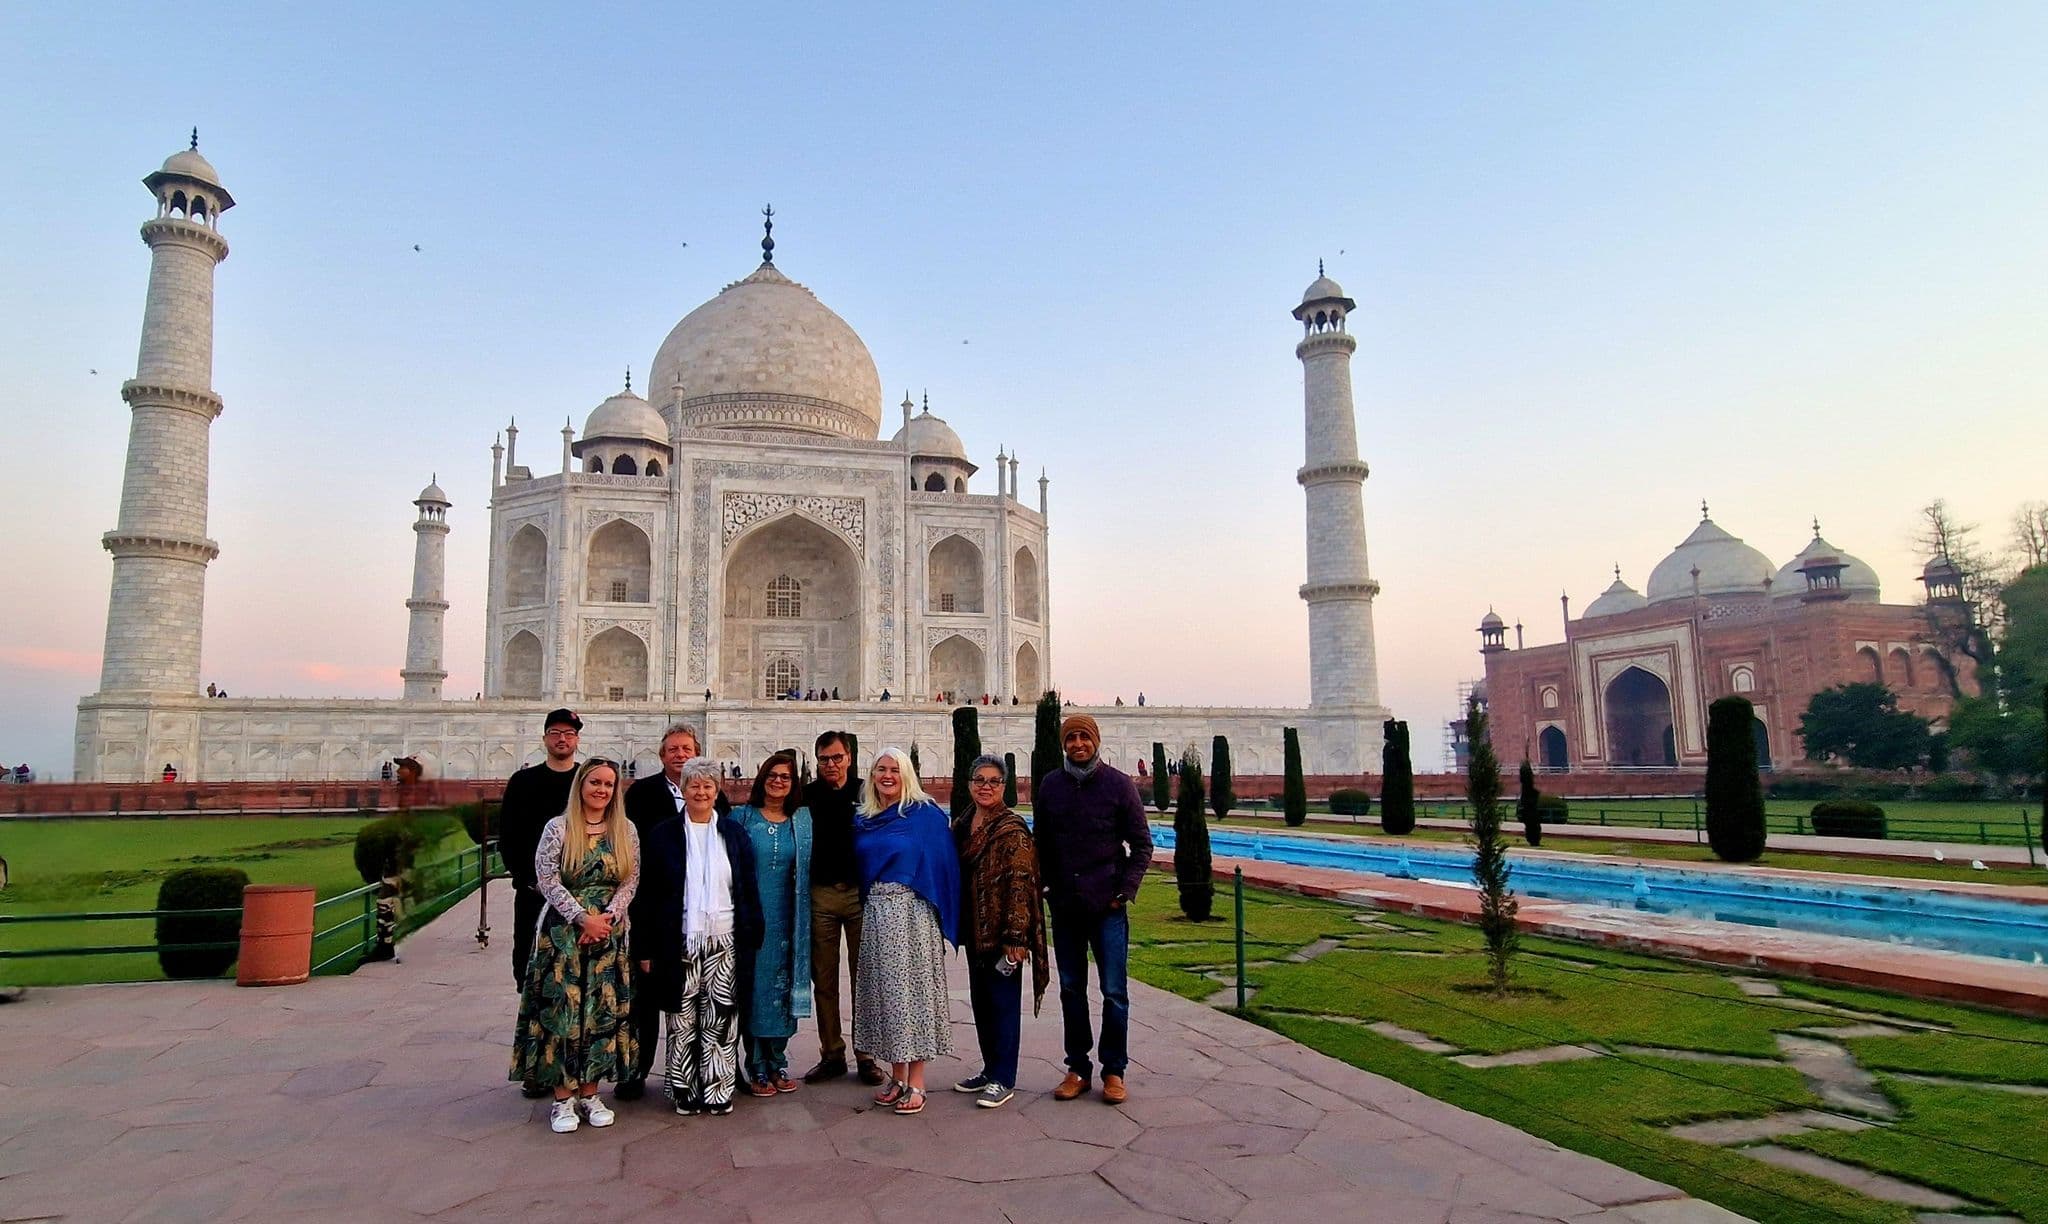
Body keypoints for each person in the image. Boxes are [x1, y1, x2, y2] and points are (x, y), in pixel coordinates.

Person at [508, 758, 640, 1133]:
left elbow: (631, 880)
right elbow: (546, 879)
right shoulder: (559, 827)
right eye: (595, 782)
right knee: (562, 1012)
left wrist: (608, 918)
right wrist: (583, 918)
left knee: (599, 1012)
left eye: (609, 784)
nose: (601, 790)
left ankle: (591, 1093)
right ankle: (562, 1099)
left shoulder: (624, 829)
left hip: (608, 933)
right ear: (580, 785)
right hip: (564, 933)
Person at [1033, 713, 1152, 1105]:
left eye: (1084, 737)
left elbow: (1142, 845)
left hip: (1107, 907)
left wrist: (1124, 891)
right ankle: (1078, 1068)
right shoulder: (1052, 786)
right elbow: (1042, 843)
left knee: (1114, 991)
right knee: (1071, 990)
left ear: (1096, 741)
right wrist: (1047, 885)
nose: (1078, 744)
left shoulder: (1118, 785)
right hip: (1066, 906)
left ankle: (1114, 1070)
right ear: (1064, 744)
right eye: (1071, 738)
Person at [632, 757, 759, 1117]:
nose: (701, 792)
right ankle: (683, 1089)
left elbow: (747, 887)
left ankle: (719, 1089)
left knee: (722, 1016)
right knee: (681, 1016)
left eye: (707, 785)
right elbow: (648, 895)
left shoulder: (733, 834)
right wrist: (645, 947)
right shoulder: (663, 834)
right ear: (683, 790)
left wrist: (753, 935)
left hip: (724, 936)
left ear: (717, 790)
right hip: (680, 938)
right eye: (694, 785)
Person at [617, 723, 730, 1100]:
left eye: (686, 749)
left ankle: (714, 1079)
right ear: (661, 754)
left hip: (707, 919)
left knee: (708, 1006)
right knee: (647, 998)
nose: (679, 755)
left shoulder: (719, 800)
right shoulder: (643, 794)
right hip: (660, 910)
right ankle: (637, 1071)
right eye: (673, 749)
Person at [851, 748, 960, 1116]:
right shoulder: (866, 816)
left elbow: (944, 863)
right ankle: (897, 1078)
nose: (887, 776)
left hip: (911, 915)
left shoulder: (925, 815)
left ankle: (918, 1082)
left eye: (894, 770)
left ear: (907, 774)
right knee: (887, 997)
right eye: (881, 769)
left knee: (912, 996)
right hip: (877, 913)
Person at [951, 754, 1047, 1109]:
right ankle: (991, 1069)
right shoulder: (965, 822)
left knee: (1004, 1005)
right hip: (976, 930)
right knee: (982, 1004)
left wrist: (1017, 939)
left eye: (993, 781)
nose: (986, 787)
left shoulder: (1012, 829)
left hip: (1005, 932)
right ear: (970, 784)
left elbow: (1022, 884)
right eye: (980, 780)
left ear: (1003, 787)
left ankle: (1004, 1078)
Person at [800, 731, 880, 1085]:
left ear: (849, 756)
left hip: (860, 895)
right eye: (823, 760)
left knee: (864, 979)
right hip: (822, 895)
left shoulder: (868, 792)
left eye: (836, 758)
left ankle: (866, 1054)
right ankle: (831, 1052)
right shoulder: (807, 796)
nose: (830, 765)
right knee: (825, 979)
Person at [736, 750, 812, 1096]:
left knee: (782, 991)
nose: (778, 781)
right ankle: (756, 1065)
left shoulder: (803, 821)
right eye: (773, 775)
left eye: (786, 777)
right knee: (754, 989)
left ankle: (777, 1061)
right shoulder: (743, 818)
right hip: (751, 918)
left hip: (789, 919)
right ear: (762, 779)